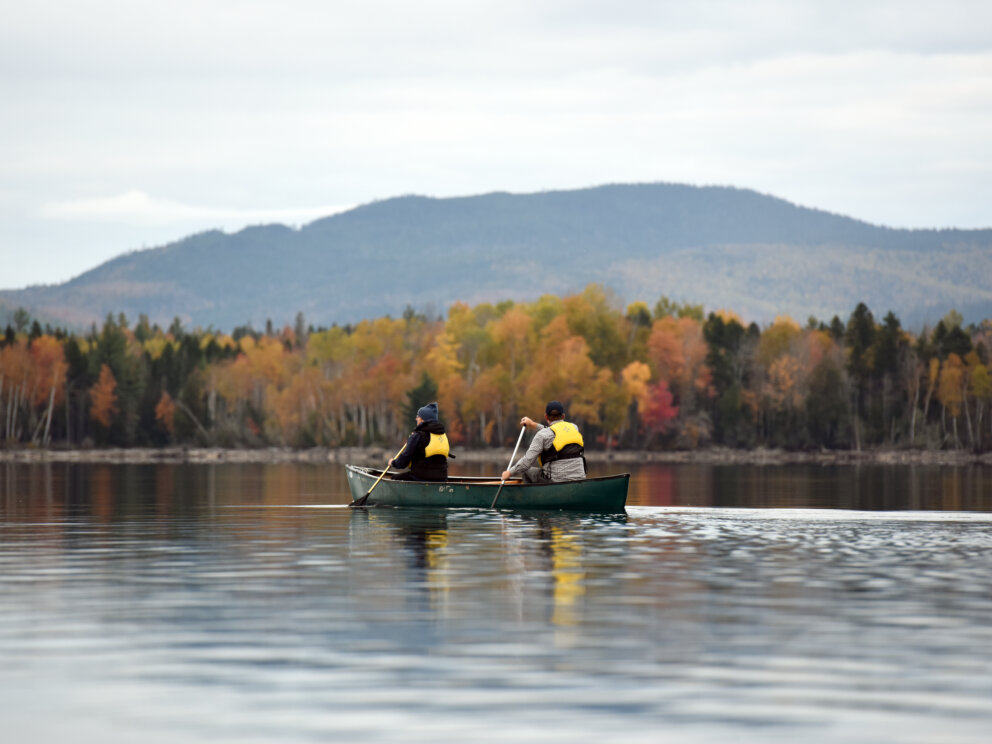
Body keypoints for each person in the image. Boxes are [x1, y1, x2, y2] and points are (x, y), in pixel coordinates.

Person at [501, 401, 586, 484]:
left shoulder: (542, 435)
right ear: (563, 416)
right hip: (580, 479)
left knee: (526, 471)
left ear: (546, 417)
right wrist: (533, 424)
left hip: (556, 482)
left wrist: (509, 473)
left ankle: (535, 497)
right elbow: (554, 431)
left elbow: (527, 462)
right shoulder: (574, 427)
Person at [388, 402, 450, 481]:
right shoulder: (443, 435)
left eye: (418, 416)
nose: (416, 419)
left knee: (394, 478)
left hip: (420, 478)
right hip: (442, 479)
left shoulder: (417, 436)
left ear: (423, 419)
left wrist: (393, 463)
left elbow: (403, 463)